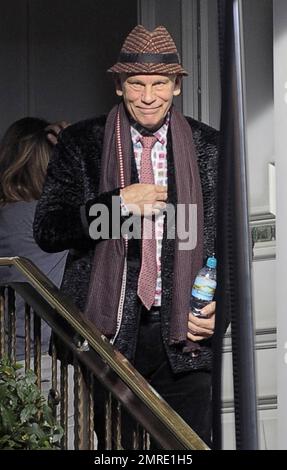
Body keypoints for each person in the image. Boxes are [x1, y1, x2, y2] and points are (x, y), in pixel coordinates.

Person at [33, 25, 219, 448]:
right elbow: (48, 229)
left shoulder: (209, 147)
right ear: (119, 86)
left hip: (184, 336)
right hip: (106, 334)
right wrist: (117, 206)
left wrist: (219, 313)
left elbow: (225, 244)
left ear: (177, 86)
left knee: (185, 449)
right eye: (137, 84)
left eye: (159, 84)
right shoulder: (83, 142)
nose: (148, 96)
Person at [0, 117, 68, 359]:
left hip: (14, 352)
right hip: (44, 357)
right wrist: (75, 148)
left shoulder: (8, 213)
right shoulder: (45, 216)